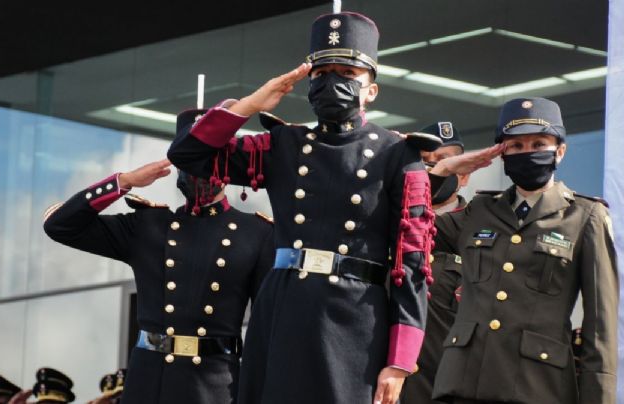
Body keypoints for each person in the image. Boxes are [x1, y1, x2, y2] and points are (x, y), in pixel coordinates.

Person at [167, 11, 434, 404]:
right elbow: (189, 154)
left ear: (371, 89)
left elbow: (412, 265)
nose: (332, 82)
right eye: (321, 72)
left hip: (354, 319)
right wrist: (254, 102)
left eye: (347, 72)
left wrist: (401, 361)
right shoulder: (282, 145)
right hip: (284, 309)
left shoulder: (398, 154)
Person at [43, 109, 275, 404]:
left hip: (215, 385)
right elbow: (60, 226)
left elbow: (265, 329)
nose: (199, 170)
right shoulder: (148, 225)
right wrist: (123, 181)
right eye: (190, 160)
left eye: (209, 158)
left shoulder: (256, 233)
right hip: (149, 380)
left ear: (226, 164)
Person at [428, 97, 618, 403]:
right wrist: (440, 173)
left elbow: (600, 328)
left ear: (560, 151)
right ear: (502, 154)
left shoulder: (586, 217)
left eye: (538, 143)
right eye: (515, 147)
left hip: (538, 388)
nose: (527, 153)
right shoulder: (479, 211)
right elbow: (407, 225)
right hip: (463, 385)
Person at [400, 122, 468, 404]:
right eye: (426, 161)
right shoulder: (390, 224)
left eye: (445, 161)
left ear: (463, 174)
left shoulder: (482, 228)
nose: (434, 169)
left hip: (451, 387)